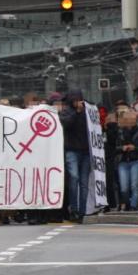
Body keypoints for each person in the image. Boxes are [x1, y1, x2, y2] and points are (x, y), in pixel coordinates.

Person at [59, 90, 90, 222]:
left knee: (84, 183)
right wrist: (77, 113)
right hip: (72, 150)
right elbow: (66, 124)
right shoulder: (66, 112)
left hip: (86, 151)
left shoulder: (88, 111)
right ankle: (74, 209)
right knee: (74, 178)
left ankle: (82, 211)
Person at [115, 111, 138, 211]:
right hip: (123, 162)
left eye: (132, 119)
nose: (130, 121)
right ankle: (127, 203)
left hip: (136, 161)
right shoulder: (119, 132)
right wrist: (122, 148)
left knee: (134, 185)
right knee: (124, 187)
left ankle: (133, 205)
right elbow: (114, 148)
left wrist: (135, 148)